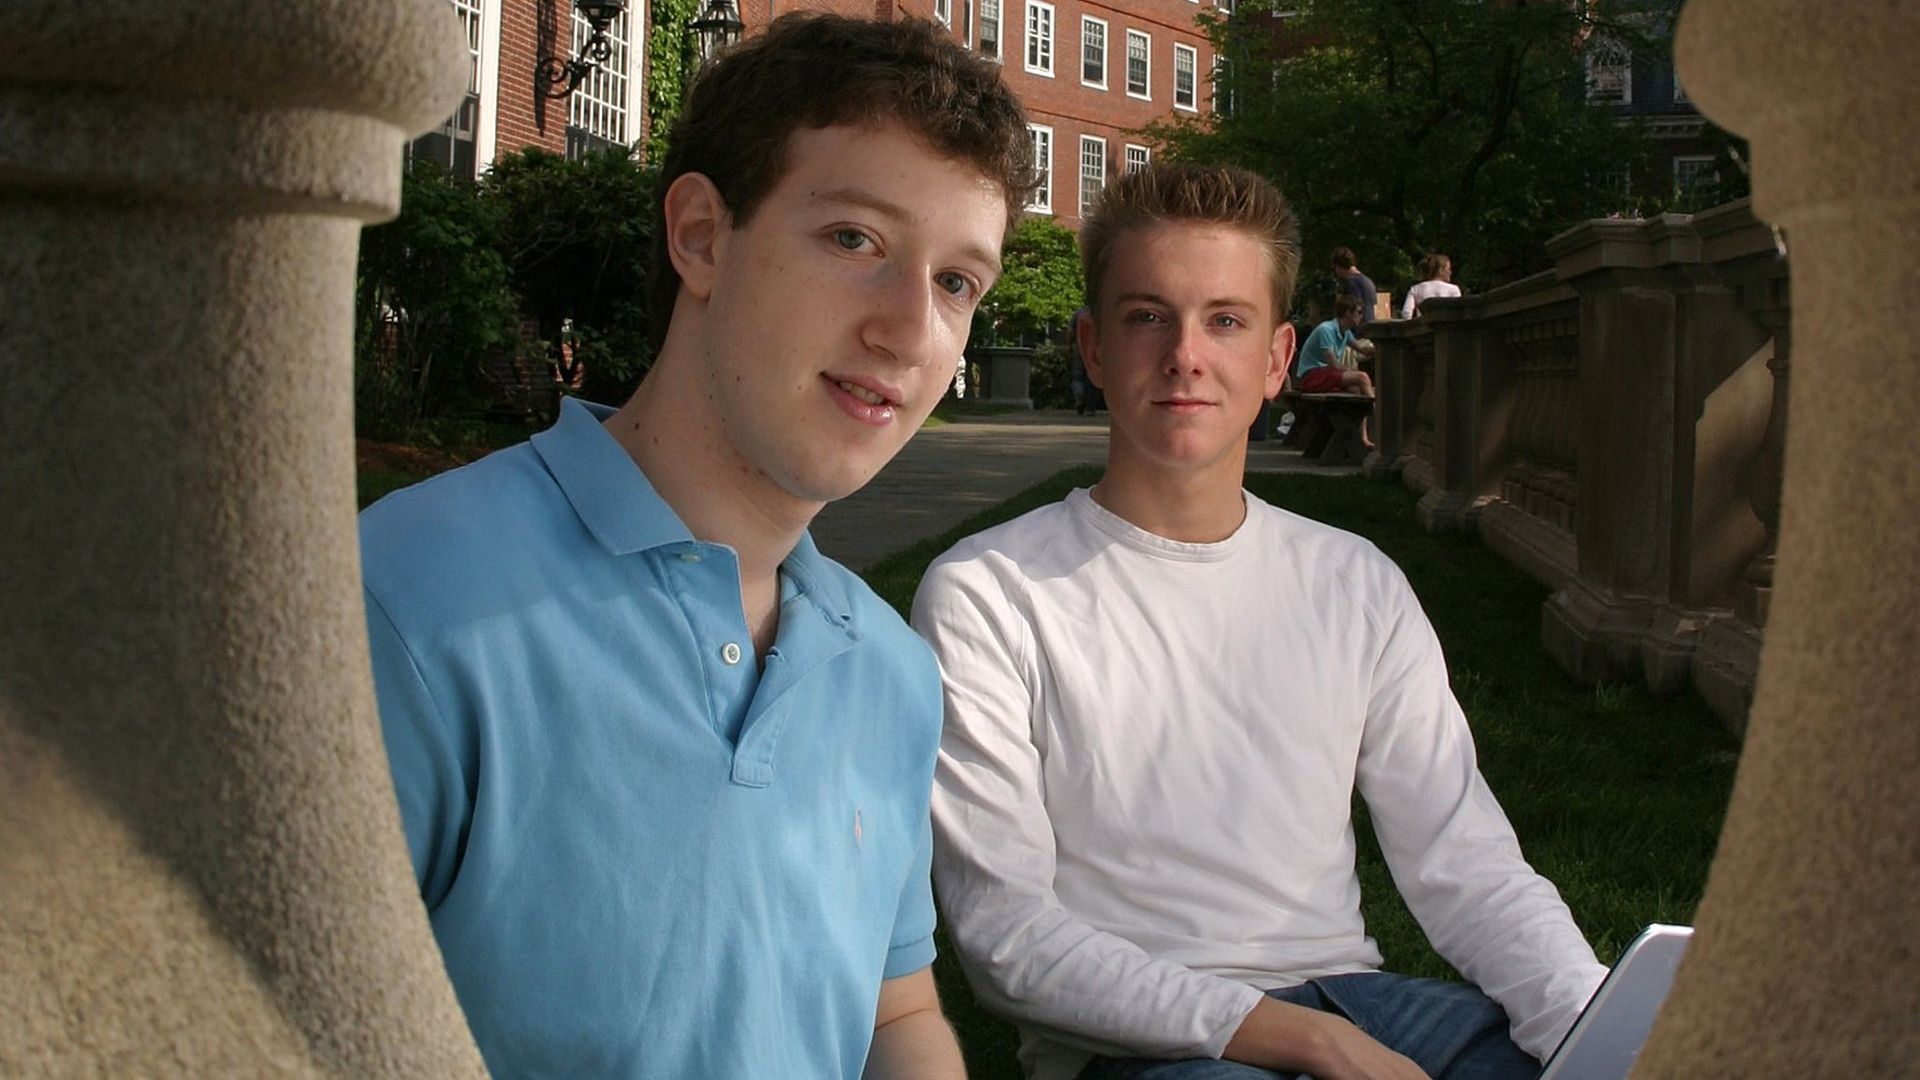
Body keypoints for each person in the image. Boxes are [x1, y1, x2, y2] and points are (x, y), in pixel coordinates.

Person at [358, 15, 1034, 1078]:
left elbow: (892, 1014)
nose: (911, 330)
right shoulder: (406, 602)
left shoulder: (893, 674)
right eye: (856, 239)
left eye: (956, 282)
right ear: (703, 237)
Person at [913, 163, 1606, 1080]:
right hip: (1139, 1040)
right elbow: (1008, 937)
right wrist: (1299, 1041)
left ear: (1279, 360)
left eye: (1225, 321)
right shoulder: (988, 593)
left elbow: (1466, 861)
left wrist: (1597, 1030)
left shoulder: (1355, 582)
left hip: (1365, 1004)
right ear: (1092, 346)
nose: (1185, 356)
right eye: (1147, 315)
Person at [1296, 294, 1377, 448]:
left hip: (1326, 375)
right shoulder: (1326, 330)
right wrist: (1353, 371)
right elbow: (1333, 365)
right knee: (1362, 378)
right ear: (1348, 313)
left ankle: (1364, 438)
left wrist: (1378, 348)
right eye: (1359, 312)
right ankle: (1378, 419)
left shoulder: (1345, 332)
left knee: (1360, 390)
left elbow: (1362, 349)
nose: (1361, 316)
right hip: (1312, 376)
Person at [1400, 253, 1462, 319]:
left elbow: (1406, 313)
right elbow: (1458, 313)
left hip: (1424, 326)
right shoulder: (1453, 289)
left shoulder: (1415, 289)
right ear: (1441, 270)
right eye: (1449, 269)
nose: (1451, 272)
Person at [1332, 245, 1378, 322]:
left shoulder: (1351, 283)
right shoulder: (1369, 281)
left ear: (1338, 266)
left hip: (1357, 331)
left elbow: (1349, 312)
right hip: (1369, 329)